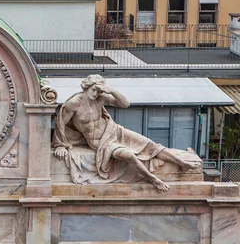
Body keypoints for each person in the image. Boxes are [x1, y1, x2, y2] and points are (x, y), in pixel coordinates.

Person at [53, 75, 201, 192]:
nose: (96, 93)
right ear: (86, 87)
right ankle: (153, 179)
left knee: (150, 145)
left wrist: (111, 90)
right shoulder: (74, 103)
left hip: (114, 130)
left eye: (99, 90)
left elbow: (125, 104)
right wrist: (60, 144)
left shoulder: (101, 98)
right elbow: (61, 122)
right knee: (129, 155)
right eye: (94, 90)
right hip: (103, 143)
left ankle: (182, 163)